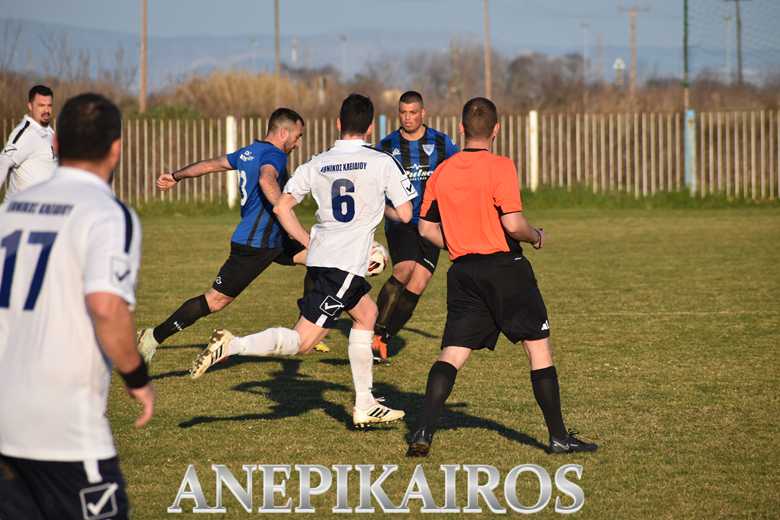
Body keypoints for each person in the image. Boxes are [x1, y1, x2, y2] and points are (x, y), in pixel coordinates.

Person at [189, 94, 417, 428]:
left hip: (321, 259)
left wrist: (307, 241)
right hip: (344, 264)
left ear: (338, 124)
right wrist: (376, 206)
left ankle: (365, 403)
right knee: (303, 342)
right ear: (370, 127)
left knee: (367, 314)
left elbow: (282, 207)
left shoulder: (317, 162)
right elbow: (406, 214)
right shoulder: (381, 161)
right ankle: (233, 344)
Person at [406, 97, 597, 457]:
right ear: (496, 129)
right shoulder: (501, 166)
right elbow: (512, 223)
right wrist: (536, 236)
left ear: (461, 128)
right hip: (505, 269)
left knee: (453, 352)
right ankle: (559, 437)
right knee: (537, 347)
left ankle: (423, 430)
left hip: (463, 272)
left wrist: (458, 242)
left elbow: (426, 228)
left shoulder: (442, 172)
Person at [0, 93, 154, 519]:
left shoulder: (10, 210)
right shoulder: (108, 213)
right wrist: (137, 377)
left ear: (56, 144)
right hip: (63, 428)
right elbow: (106, 307)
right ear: (116, 148)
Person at [136, 108, 308, 363]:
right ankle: (152, 337)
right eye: (297, 136)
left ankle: (307, 331)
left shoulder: (249, 152)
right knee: (215, 301)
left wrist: (175, 176)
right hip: (255, 244)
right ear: (284, 133)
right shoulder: (275, 155)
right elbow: (266, 179)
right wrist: (283, 208)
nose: (298, 143)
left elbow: (210, 164)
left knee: (319, 259)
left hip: (275, 240)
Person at [372, 90, 458, 363]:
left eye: (413, 113)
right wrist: (386, 210)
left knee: (419, 282)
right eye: (403, 113)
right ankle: (374, 331)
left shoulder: (442, 143)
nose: (407, 118)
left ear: (423, 113)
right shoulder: (387, 146)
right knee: (405, 269)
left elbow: (459, 171)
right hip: (401, 222)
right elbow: (371, 183)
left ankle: (384, 338)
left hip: (431, 223)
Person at [0, 85, 57, 198]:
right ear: (30, 106)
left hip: (42, 207)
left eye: (49, 105)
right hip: (20, 207)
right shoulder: (26, 133)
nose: (46, 110)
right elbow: (3, 162)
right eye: (41, 105)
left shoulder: (50, 132)